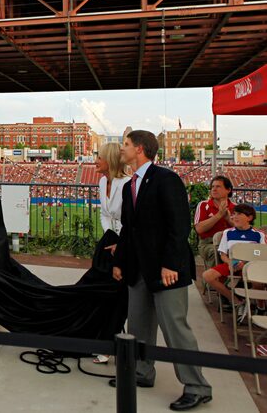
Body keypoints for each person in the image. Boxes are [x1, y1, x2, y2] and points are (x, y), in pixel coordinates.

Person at [112, 130, 212, 410]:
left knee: (175, 329)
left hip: (167, 270)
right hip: (138, 270)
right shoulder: (130, 184)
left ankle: (197, 386)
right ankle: (142, 373)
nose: (122, 149)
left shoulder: (167, 180)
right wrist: (120, 260)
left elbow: (179, 226)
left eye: (127, 144)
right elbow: (128, 230)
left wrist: (170, 264)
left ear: (140, 149)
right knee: (139, 326)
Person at [92, 142, 130, 364]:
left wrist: (121, 242)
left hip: (124, 245)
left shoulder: (126, 184)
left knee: (118, 296)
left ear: (111, 160)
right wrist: (110, 236)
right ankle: (106, 339)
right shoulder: (101, 181)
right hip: (109, 242)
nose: (96, 160)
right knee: (105, 294)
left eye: (100, 157)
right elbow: (105, 214)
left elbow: (130, 219)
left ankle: (109, 346)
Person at [201, 203, 264, 320]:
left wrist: (245, 263)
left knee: (258, 281)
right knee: (207, 276)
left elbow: (259, 254)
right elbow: (223, 254)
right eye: (234, 214)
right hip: (232, 264)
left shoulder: (258, 235)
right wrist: (230, 262)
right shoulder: (228, 233)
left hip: (250, 266)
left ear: (249, 218)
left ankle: (261, 306)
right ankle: (237, 301)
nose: (234, 217)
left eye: (239, 214)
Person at [194, 176, 235, 286]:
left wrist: (228, 220)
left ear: (228, 190)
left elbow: (244, 228)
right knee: (217, 252)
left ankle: (236, 284)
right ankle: (222, 285)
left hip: (231, 244)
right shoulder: (203, 205)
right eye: (212, 187)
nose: (214, 189)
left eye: (218, 187)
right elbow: (199, 229)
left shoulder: (236, 208)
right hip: (208, 243)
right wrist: (219, 215)